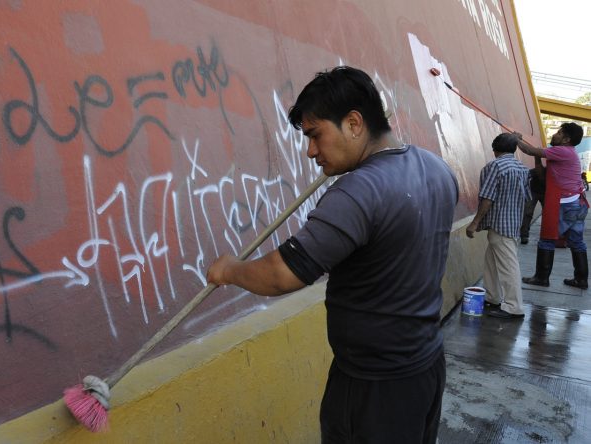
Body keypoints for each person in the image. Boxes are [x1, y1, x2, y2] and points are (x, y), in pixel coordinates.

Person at [206, 66, 457, 444]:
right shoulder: (437, 168)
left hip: (375, 388)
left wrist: (229, 270)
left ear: (354, 123)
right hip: (425, 367)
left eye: (314, 134)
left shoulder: (358, 192)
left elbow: (282, 275)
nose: (310, 151)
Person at [466, 133, 530, 319]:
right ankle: (493, 297)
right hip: (512, 224)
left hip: (499, 225)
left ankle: (513, 306)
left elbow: (487, 198)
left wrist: (475, 222)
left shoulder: (494, 166)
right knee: (492, 262)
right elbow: (527, 199)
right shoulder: (522, 168)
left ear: (495, 148)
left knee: (508, 266)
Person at [517, 123, 588, 289]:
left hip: (563, 204)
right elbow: (542, 176)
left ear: (566, 139)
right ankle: (581, 279)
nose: (555, 135)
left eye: (558, 132)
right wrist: (537, 157)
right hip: (576, 202)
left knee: (547, 239)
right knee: (576, 242)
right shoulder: (566, 154)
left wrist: (517, 140)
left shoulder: (563, 151)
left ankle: (541, 278)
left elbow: (529, 150)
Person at [518, 163, 545, 244]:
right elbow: (526, 176)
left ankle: (544, 235)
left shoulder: (550, 171)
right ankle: (524, 235)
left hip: (545, 193)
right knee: (527, 213)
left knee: (547, 215)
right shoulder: (535, 171)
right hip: (533, 192)